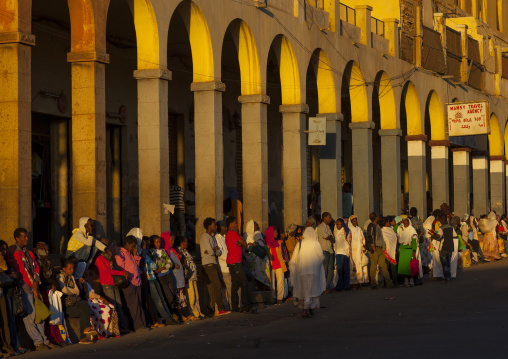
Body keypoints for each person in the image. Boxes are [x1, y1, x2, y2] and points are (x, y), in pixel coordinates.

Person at [7, 228, 55, 350]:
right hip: (24, 287)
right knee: (30, 315)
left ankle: (44, 339)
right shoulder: (14, 252)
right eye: (24, 237)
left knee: (39, 314)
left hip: (34, 287)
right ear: (17, 238)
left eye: (27, 236)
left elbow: (35, 266)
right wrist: (32, 284)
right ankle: (38, 342)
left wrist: (36, 280)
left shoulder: (28, 253)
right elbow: (21, 270)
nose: (27, 239)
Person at [58, 259, 119, 341]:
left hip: (76, 302)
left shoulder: (72, 278)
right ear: (64, 268)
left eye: (73, 268)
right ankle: (97, 332)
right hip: (66, 305)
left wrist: (72, 292)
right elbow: (64, 290)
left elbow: (77, 291)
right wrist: (73, 292)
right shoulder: (60, 276)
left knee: (84, 306)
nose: (72, 270)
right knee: (87, 307)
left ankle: (86, 334)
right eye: (70, 268)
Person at [289, 227, 326, 318]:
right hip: (314, 272)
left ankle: (308, 308)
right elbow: (321, 257)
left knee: (305, 290)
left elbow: (294, 259)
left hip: (302, 271)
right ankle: (306, 310)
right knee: (311, 290)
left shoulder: (300, 243)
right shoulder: (316, 243)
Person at [115, 235, 148, 331]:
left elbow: (135, 265)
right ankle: (138, 326)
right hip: (129, 282)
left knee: (138, 303)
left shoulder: (129, 253)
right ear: (127, 244)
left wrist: (136, 255)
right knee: (133, 305)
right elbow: (120, 267)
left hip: (136, 281)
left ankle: (142, 324)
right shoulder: (120, 253)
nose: (133, 248)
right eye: (132, 246)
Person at [94, 246, 129, 333]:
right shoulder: (99, 259)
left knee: (119, 306)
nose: (109, 252)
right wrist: (121, 273)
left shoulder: (109, 258)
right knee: (113, 307)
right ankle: (115, 329)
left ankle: (123, 328)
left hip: (114, 283)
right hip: (107, 284)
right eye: (108, 250)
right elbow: (106, 271)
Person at [200, 218, 229, 316]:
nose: (215, 226)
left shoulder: (212, 237)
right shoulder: (205, 237)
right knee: (217, 285)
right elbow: (211, 252)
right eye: (213, 224)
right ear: (209, 226)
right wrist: (214, 250)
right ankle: (220, 308)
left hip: (214, 263)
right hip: (208, 264)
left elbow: (218, 251)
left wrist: (214, 250)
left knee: (215, 285)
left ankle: (213, 308)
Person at [148, 235, 177, 320]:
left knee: (172, 294)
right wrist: (160, 268)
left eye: (159, 242)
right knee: (168, 296)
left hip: (168, 274)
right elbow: (152, 265)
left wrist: (162, 268)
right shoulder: (151, 253)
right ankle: (166, 314)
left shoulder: (163, 251)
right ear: (153, 243)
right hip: (160, 277)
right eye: (156, 242)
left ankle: (170, 313)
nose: (158, 244)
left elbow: (169, 263)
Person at [174, 236, 203, 319]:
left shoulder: (185, 251)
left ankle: (198, 311)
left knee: (196, 295)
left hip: (193, 276)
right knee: (191, 296)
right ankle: (193, 312)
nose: (187, 243)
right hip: (188, 277)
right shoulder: (179, 251)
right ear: (181, 243)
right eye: (185, 242)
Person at [225, 216, 250, 313]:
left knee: (235, 285)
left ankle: (235, 307)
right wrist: (241, 240)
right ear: (231, 224)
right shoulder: (232, 233)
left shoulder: (230, 234)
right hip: (235, 263)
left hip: (233, 262)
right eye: (235, 223)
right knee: (244, 283)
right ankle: (245, 306)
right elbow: (244, 243)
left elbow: (241, 243)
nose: (237, 225)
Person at [366, 214, 393, 289]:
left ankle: (388, 283)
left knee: (383, 266)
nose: (378, 218)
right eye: (377, 216)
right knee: (373, 266)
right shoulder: (371, 226)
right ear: (375, 218)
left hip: (380, 248)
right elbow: (370, 236)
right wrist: (372, 246)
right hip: (375, 248)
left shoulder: (378, 226)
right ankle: (373, 284)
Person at [430, 210, 456, 283]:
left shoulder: (441, 228)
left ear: (442, 220)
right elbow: (455, 235)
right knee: (448, 263)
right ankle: (449, 277)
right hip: (451, 247)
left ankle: (447, 278)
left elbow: (439, 235)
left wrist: (433, 235)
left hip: (443, 247)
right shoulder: (451, 227)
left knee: (444, 264)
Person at [243, 220, 271, 288]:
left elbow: (261, 246)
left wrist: (254, 244)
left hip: (260, 257)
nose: (256, 227)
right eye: (255, 225)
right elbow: (245, 248)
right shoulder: (246, 236)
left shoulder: (258, 235)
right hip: (251, 259)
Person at [265, 227, 287, 304]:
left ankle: (279, 298)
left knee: (280, 281)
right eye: (275, 232)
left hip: (279, 264)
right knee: (272, 283)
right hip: (271, 265)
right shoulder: (266, 244)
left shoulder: (278, 243)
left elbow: (283, 254)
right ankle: (273, 297)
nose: (277, 234)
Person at [347, 216, 368, 288]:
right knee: (352, 266)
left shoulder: (359, 229)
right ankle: (352, 282)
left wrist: (364, 245)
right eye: (354, 221)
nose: (355, 222)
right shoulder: (349, 229)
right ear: (351, 222)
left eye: (356, 221)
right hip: (352, 251)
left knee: (360, 266)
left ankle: (360, 282)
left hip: (359, 250)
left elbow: (362, 238)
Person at [214, 221, 231, 311]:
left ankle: (230, 305)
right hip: (224, 266)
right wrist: (230, 259)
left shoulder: (225, 237)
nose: (226, 228)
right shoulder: (216, 238)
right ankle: (230, 306)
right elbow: (221, 254)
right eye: (224, 227)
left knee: (229, 287)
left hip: (229, 265)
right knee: (228, 287)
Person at [397, 218, 419, 286]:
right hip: (403, 250)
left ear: (409, 223)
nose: (405, 224)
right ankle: (406, 281)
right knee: (404, 267)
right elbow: (395, 228)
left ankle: (411, 281)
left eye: (407, 223)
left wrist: (414, 251)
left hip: (409, 250)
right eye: (404, 223)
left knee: (410, 267)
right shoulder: (401, 229)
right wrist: (400, 222)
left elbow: (414, 241)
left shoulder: (412, 230)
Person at [316, 212, 335, 292]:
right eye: (329, 217)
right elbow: (327, 237)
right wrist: (330, 237)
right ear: (324, 218)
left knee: (330, 270)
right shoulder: (320, 227)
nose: (330, 219)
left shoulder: (328, 227)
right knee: (324, 270)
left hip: (330, 250)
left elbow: (333, 238)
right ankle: (323, 288)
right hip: (324, 250)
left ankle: (327, 287)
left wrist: (330, 237)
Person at [333, 218, 350, 291]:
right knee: (339, 270)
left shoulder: (345, 230)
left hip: (345, 252)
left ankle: (346, 286)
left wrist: (343, 225)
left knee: (345, 270)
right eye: (337, 224)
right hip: (338, 253)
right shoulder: (335, 231)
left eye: (339, 224)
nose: (337, 225)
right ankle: (340, 286)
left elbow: (348, 230)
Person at [381, 217, 398, 284]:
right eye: (388, 222)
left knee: (393, 267)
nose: (389, 223)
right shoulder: (382, 230)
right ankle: (386, 282)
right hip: (386, 251)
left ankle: (395, 281)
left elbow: (395, 237)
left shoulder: (391, 229)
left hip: (393, 250)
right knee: (386, 267)